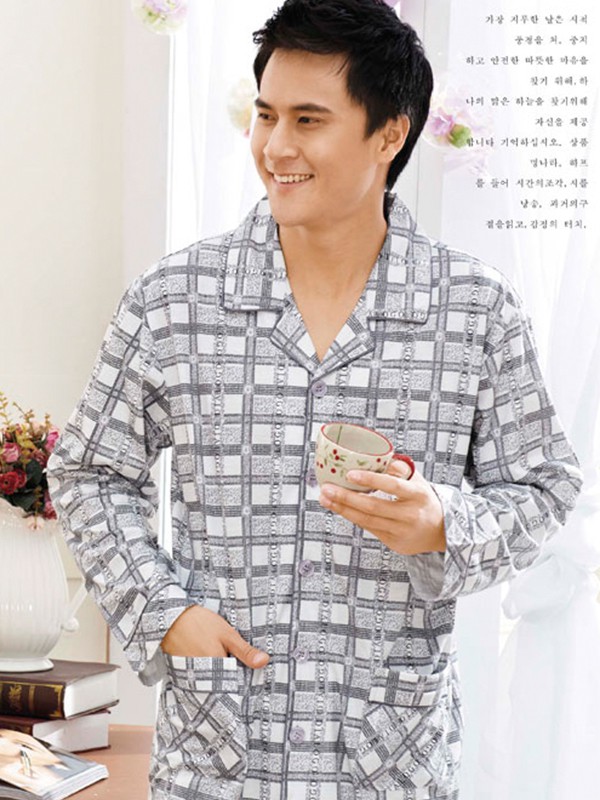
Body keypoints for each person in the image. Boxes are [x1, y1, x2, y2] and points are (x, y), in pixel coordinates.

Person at [47, 1, 582, 798]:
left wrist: (445, 523)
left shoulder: (474, 309)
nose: (276, 147)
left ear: (389, 134)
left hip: (388, 762)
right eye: (266, 115)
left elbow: (544, 487)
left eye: (308, 119)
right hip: (218, 760)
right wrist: (163, 611)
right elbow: (89, 472)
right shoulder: (174, 300)